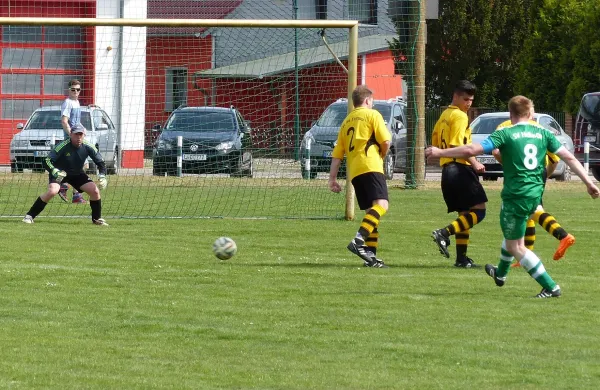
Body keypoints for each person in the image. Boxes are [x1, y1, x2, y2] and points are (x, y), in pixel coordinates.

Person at [426, 95, 599, 298]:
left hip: (516, 194)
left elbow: (472, 149)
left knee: (516, 246)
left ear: (511, 113)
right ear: (530, 113)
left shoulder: (506, 133)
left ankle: (550, 287)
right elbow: (568, 157)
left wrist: (439, 152)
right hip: (535, 193)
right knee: (512, 235)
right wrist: (589, 182)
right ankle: (500, 274)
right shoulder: (544, 132)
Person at [494, 116, 575, 267]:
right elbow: (555, 159)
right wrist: (545, 175)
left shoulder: (504, 127)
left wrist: (509, 164)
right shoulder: (540, 129)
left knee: (531, 211)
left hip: (518, 174)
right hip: (537, 173)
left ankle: (562, 235)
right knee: (530, 213)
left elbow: (496, 152)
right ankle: (525, 255)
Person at [328, 85, 391, 268]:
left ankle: (371, 258)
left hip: (355, 172)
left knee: (371, 214)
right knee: (381, 205)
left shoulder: (346, 121)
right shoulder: (373, 115)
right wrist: (382, 154)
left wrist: (332, 179)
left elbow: (337, 155)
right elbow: (385, 141)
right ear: (367, 100)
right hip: (370, 165)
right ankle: (358, 240)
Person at [430, 80, 487, 268]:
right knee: (479, 211)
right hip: (459, 168)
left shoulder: (444, 115)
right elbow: (458, 146)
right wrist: (475, 162)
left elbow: (436, 141)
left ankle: (461, 259)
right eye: (465, 99)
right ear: (455, 96)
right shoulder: (460, 116)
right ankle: (444, 233)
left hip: (447, 170)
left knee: (465, 215)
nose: (468, 103)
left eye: (471, 100)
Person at [22, 124, 109, 226]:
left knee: (95, 191)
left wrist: (102, 176)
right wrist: (54, 170)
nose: (79, 138)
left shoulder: (88, 146)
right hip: (60, 173)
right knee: (52, 191)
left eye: (81, 135)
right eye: (76, 135)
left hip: (77, 174)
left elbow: (101, 163)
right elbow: (47, 160)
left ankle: (97, 219)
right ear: (71, 134)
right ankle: (29, 216)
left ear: (84, 135)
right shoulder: (62, 146)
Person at [58, 79, 86, 204]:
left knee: (78, 166)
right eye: (73, 89)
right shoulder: (67, 103)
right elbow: (64, 121)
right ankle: (66, 187)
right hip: (72, 139)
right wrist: (71, 135)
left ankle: (73, 193)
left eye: (78, 89)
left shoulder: (77, 102)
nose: (75, 92)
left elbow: (76, 121)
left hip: (77, 139)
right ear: (68, 90)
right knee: (79, 166)